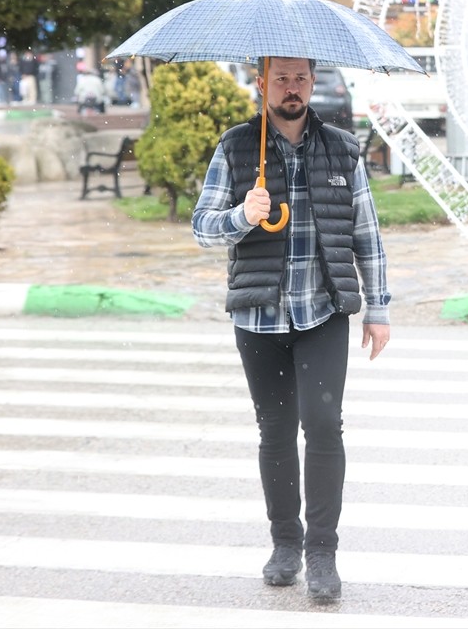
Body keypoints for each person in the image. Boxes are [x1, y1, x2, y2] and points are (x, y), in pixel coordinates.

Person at [192, 56, 391, 601]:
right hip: (259, 315)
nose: (292, 88)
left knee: (323, 425)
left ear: (312, 82)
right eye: (280, 78)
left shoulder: (342, 149)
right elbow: (202, 227)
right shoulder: (237, 147)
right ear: (262, 84)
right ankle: (285, 544)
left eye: (300, 78)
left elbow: (366, 235)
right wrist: (241, 216)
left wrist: (378, 309)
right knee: (276, 431)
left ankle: (322, 552)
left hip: (322, 310)